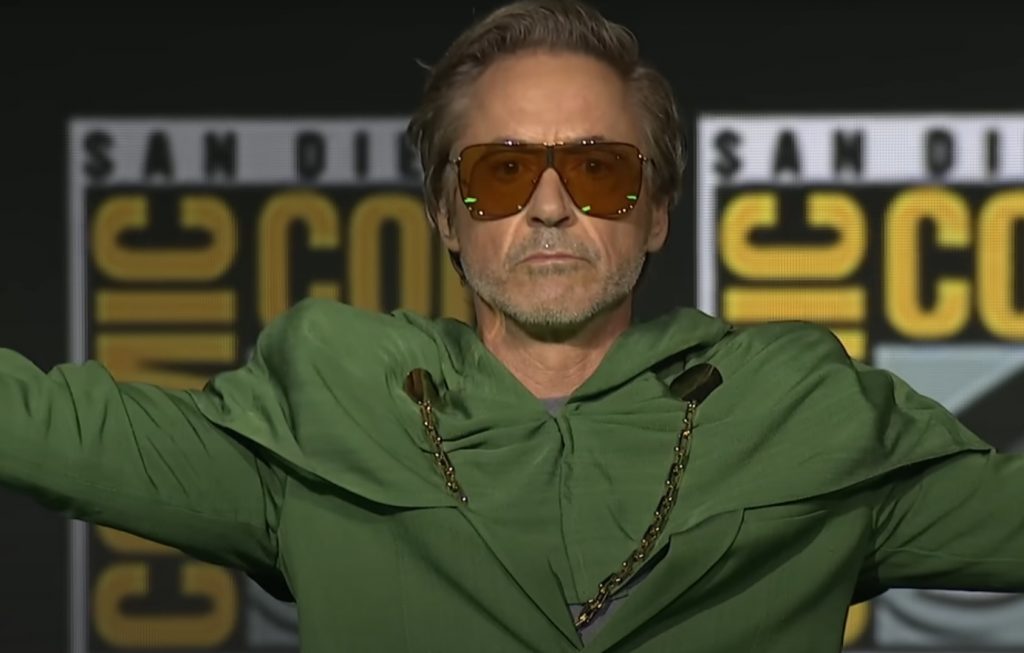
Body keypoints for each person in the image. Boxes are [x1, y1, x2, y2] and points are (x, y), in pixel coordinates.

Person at [1, 1, 1020, 651]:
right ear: (447, 216)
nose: (550, 207)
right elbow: (44, 426)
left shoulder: (797, 406)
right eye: (501, 171)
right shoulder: (327, 403)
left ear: (657, 212)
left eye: (598, 170)